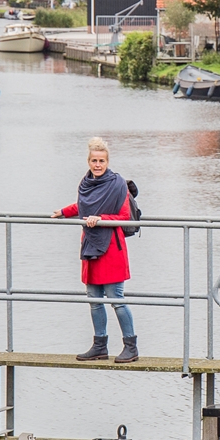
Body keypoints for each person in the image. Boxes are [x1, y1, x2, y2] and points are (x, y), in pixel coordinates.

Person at [53, 137, 140, 363]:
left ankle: (131, 347)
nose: (98, 165)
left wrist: (101, 219)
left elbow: (123, 217)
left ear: (107, 161)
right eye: (94, 160)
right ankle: (99, 346)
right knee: (94, 300)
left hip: (112, 248)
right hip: (91, 246)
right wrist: (63, 211)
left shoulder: (117, 184)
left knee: (116, 299)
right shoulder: (85, 184)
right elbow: (83, 207)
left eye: (101, 160)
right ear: (89, 161)